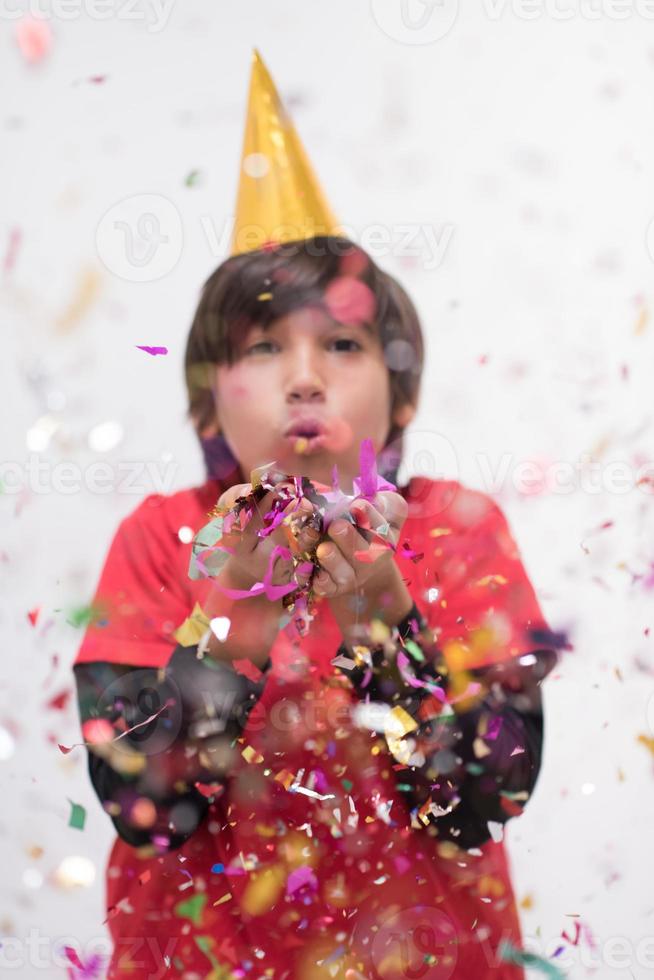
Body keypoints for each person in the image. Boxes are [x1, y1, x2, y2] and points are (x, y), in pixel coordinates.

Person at [73, 51, 558, 980]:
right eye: (263, 347)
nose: (303, 375)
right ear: (211, 406)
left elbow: (484, 800)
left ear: (401, 396)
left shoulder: (455, 531)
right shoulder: (157, 535)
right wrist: (235, 626)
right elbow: (147, 813)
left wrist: (385, 620)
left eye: (341, 343)